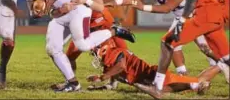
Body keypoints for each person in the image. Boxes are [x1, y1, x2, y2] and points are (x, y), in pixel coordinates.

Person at [14, 0, 135, 92]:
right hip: (60, 15)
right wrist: (39, 10)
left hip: (77, 10)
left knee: (83, 45)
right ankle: (72, 83)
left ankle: (114, 31)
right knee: (52, 48)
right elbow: (33, 10)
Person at [136, 0, 229, 99]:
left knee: (167, 42)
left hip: (204, 13)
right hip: (214, 13)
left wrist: (182, 20)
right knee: (226, 57)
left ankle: (157, 87)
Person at [86, 38, 227, 97]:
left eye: (94, 51)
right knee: (169, 91)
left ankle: (222, 64)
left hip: (153, 76)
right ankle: (199, 84)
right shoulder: (110, 62)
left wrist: (102, 77)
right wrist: (105, 85)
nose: (94, 54)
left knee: (194, 82)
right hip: (148, 79)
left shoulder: (115, 53)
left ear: (103, 47)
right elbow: (115, 75)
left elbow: (120, 66)